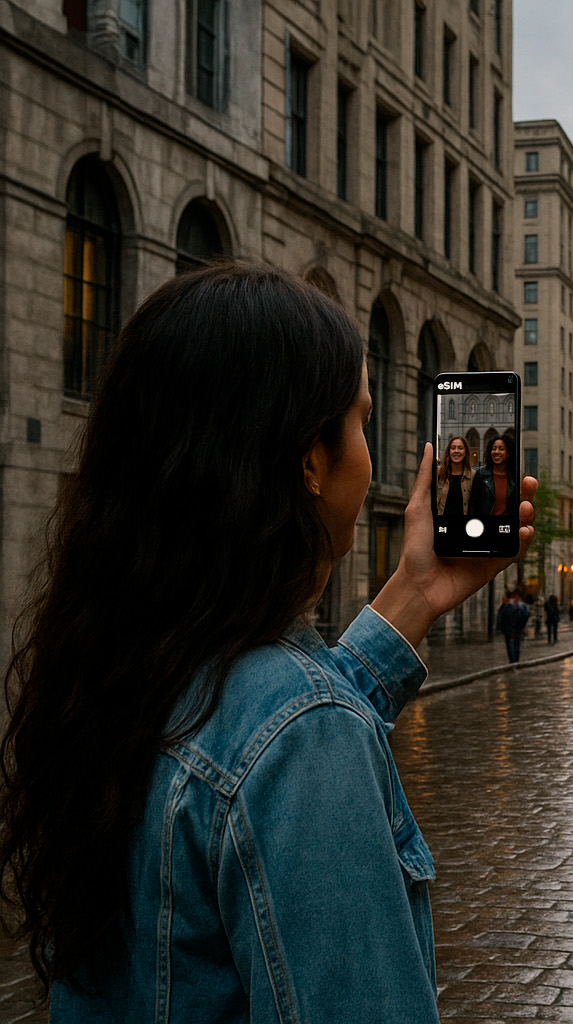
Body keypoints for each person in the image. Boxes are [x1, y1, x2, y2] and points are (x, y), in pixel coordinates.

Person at [0, 262, 536, 1020]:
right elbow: (282, 736)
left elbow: (251, 733)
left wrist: (415, 594)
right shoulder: (305, 731)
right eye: (359, 420)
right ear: (310, 462)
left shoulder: (117, 664)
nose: (368, 452)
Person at [470, 437, 514, 519]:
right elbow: (473, 505)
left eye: (501, 449)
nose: (496, 452)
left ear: (508, 453)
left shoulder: (514, 477)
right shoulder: (481, 474)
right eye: (494, 449)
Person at [434, 435, 476, 519]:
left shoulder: (473, 475)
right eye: (453, 448)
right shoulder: (438, 473)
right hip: (441, 527)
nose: (456, 451)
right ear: (449, 451)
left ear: (465, 452)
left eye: (460, 448)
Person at [498, 589, 533, 664]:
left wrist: (520, 627)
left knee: (516, 645)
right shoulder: (508, 606)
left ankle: (515, 661)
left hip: (517, 629)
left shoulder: (522, 606)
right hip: (509, 629)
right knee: (510, 646)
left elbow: (525, 616)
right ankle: (512, 660)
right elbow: (502, 617)